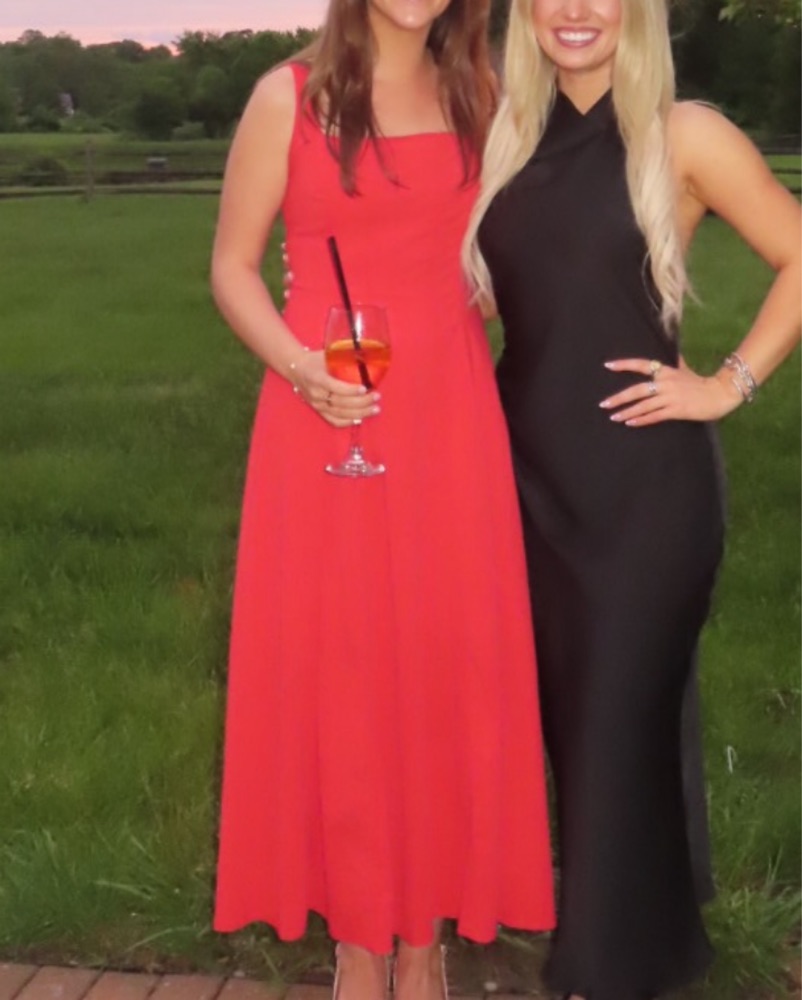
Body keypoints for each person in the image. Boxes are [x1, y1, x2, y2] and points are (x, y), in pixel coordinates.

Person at [211, 2, 556, 998]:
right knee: (344, 666)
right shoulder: (288, 98)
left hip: (449, 415)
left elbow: (510, 251)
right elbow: (231, 268)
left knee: (445, 663)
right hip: (325, 412)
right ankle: (360, 939)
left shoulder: (484, 94)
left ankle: (423, 937)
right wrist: (299, 366)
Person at [464, 0, 801, 998]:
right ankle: (658, 941)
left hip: (645, 488)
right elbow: (504, 297)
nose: (575, 10)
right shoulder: (505, 137)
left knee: (612, 718)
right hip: (525, 481)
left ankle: (602, 970)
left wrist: (727, 383)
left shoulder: (682, 133)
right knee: (582, 724)